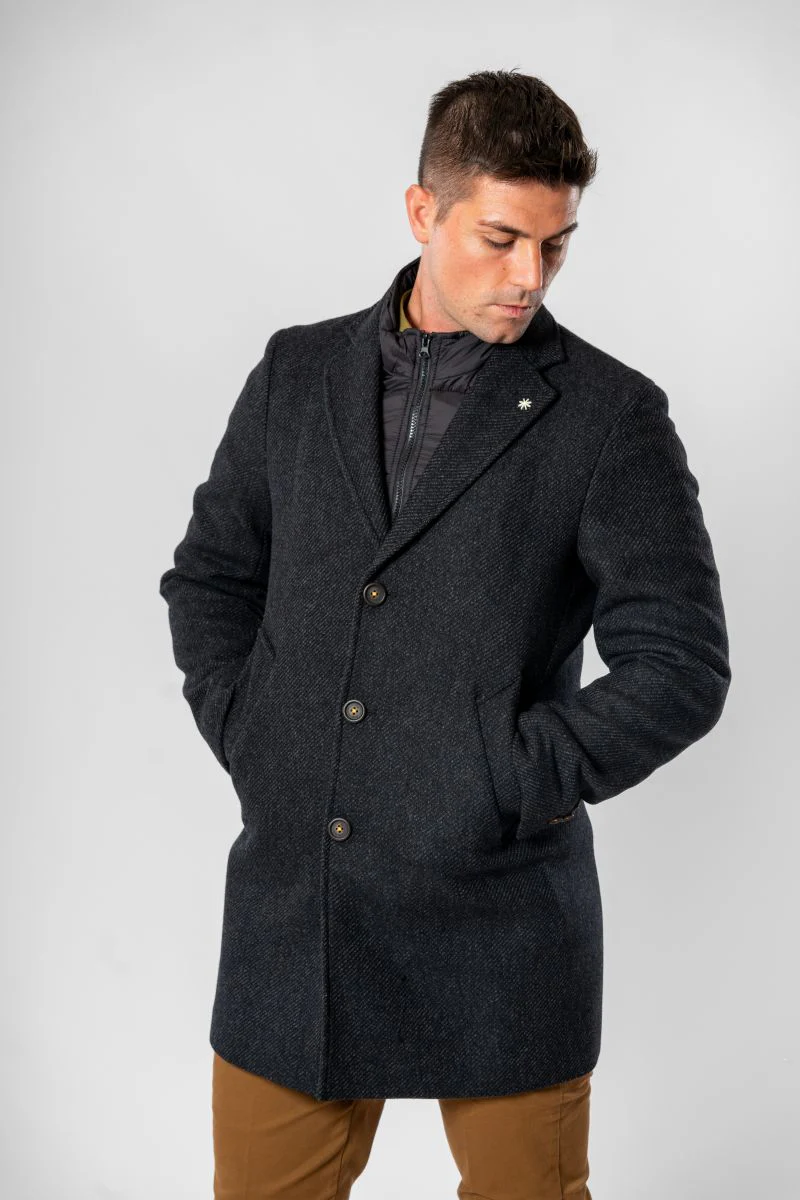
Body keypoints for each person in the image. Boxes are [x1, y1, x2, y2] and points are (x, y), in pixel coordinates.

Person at [159, 68, 731, 1199]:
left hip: (499, 917)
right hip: (299, 912)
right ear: (423, 211)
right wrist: (258, 734)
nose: (528, 278)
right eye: (501, 238)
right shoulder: (295, 373)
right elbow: (212, 578)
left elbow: (680, 663)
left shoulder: (610, 416)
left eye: (555, 246)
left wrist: (508, 776)